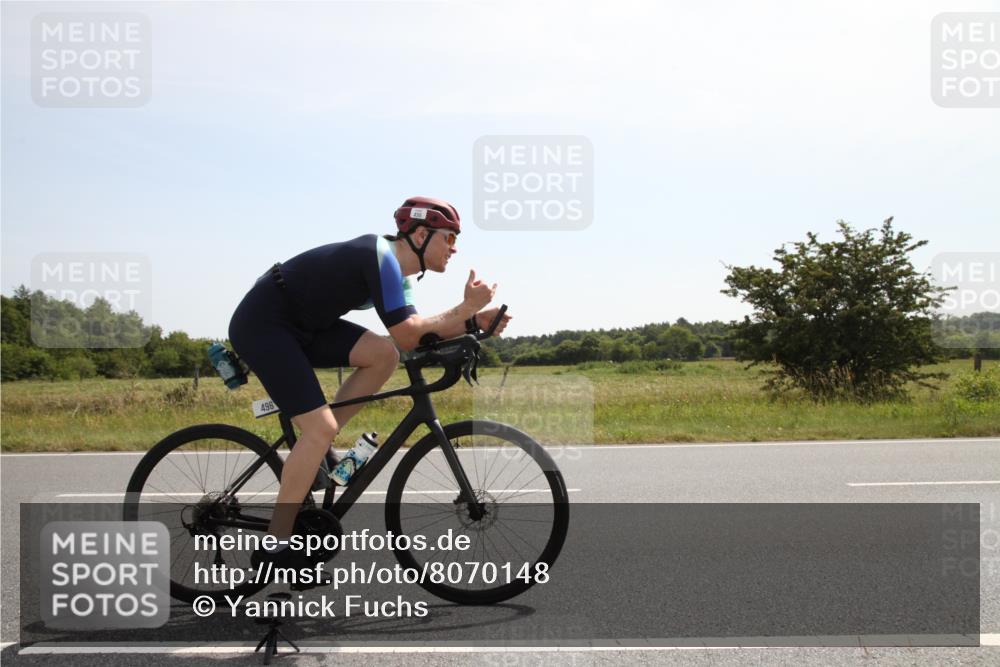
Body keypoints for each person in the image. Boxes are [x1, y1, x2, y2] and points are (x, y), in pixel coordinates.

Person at [227, 196, 511, 568]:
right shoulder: (378, 255)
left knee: (383, 355)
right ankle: (276, 545)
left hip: (304, 327)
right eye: (449, 238)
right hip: (265, 323)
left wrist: (474, 325)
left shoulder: (398, 276)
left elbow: (417, 336)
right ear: (422, 234)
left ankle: (319, 460)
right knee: (320, 428)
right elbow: (409, 333)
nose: (454, 248)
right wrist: (466, 309)